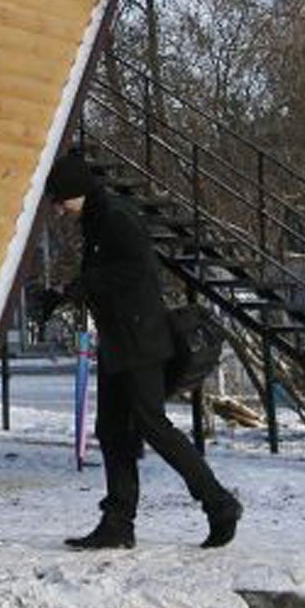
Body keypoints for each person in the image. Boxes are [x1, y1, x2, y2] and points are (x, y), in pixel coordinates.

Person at [39, 153, 242, 550]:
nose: (57, 207)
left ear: (76, 191)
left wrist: (79, 287)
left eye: (59, 199)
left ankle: (219, 503)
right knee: (113, 431)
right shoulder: (98, 221)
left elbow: (136, 270)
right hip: (120, 342)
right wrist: (64, 294)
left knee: (152, 424)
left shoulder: (115, 217)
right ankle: (118, 522)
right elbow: (108, 275)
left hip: (140, 342)